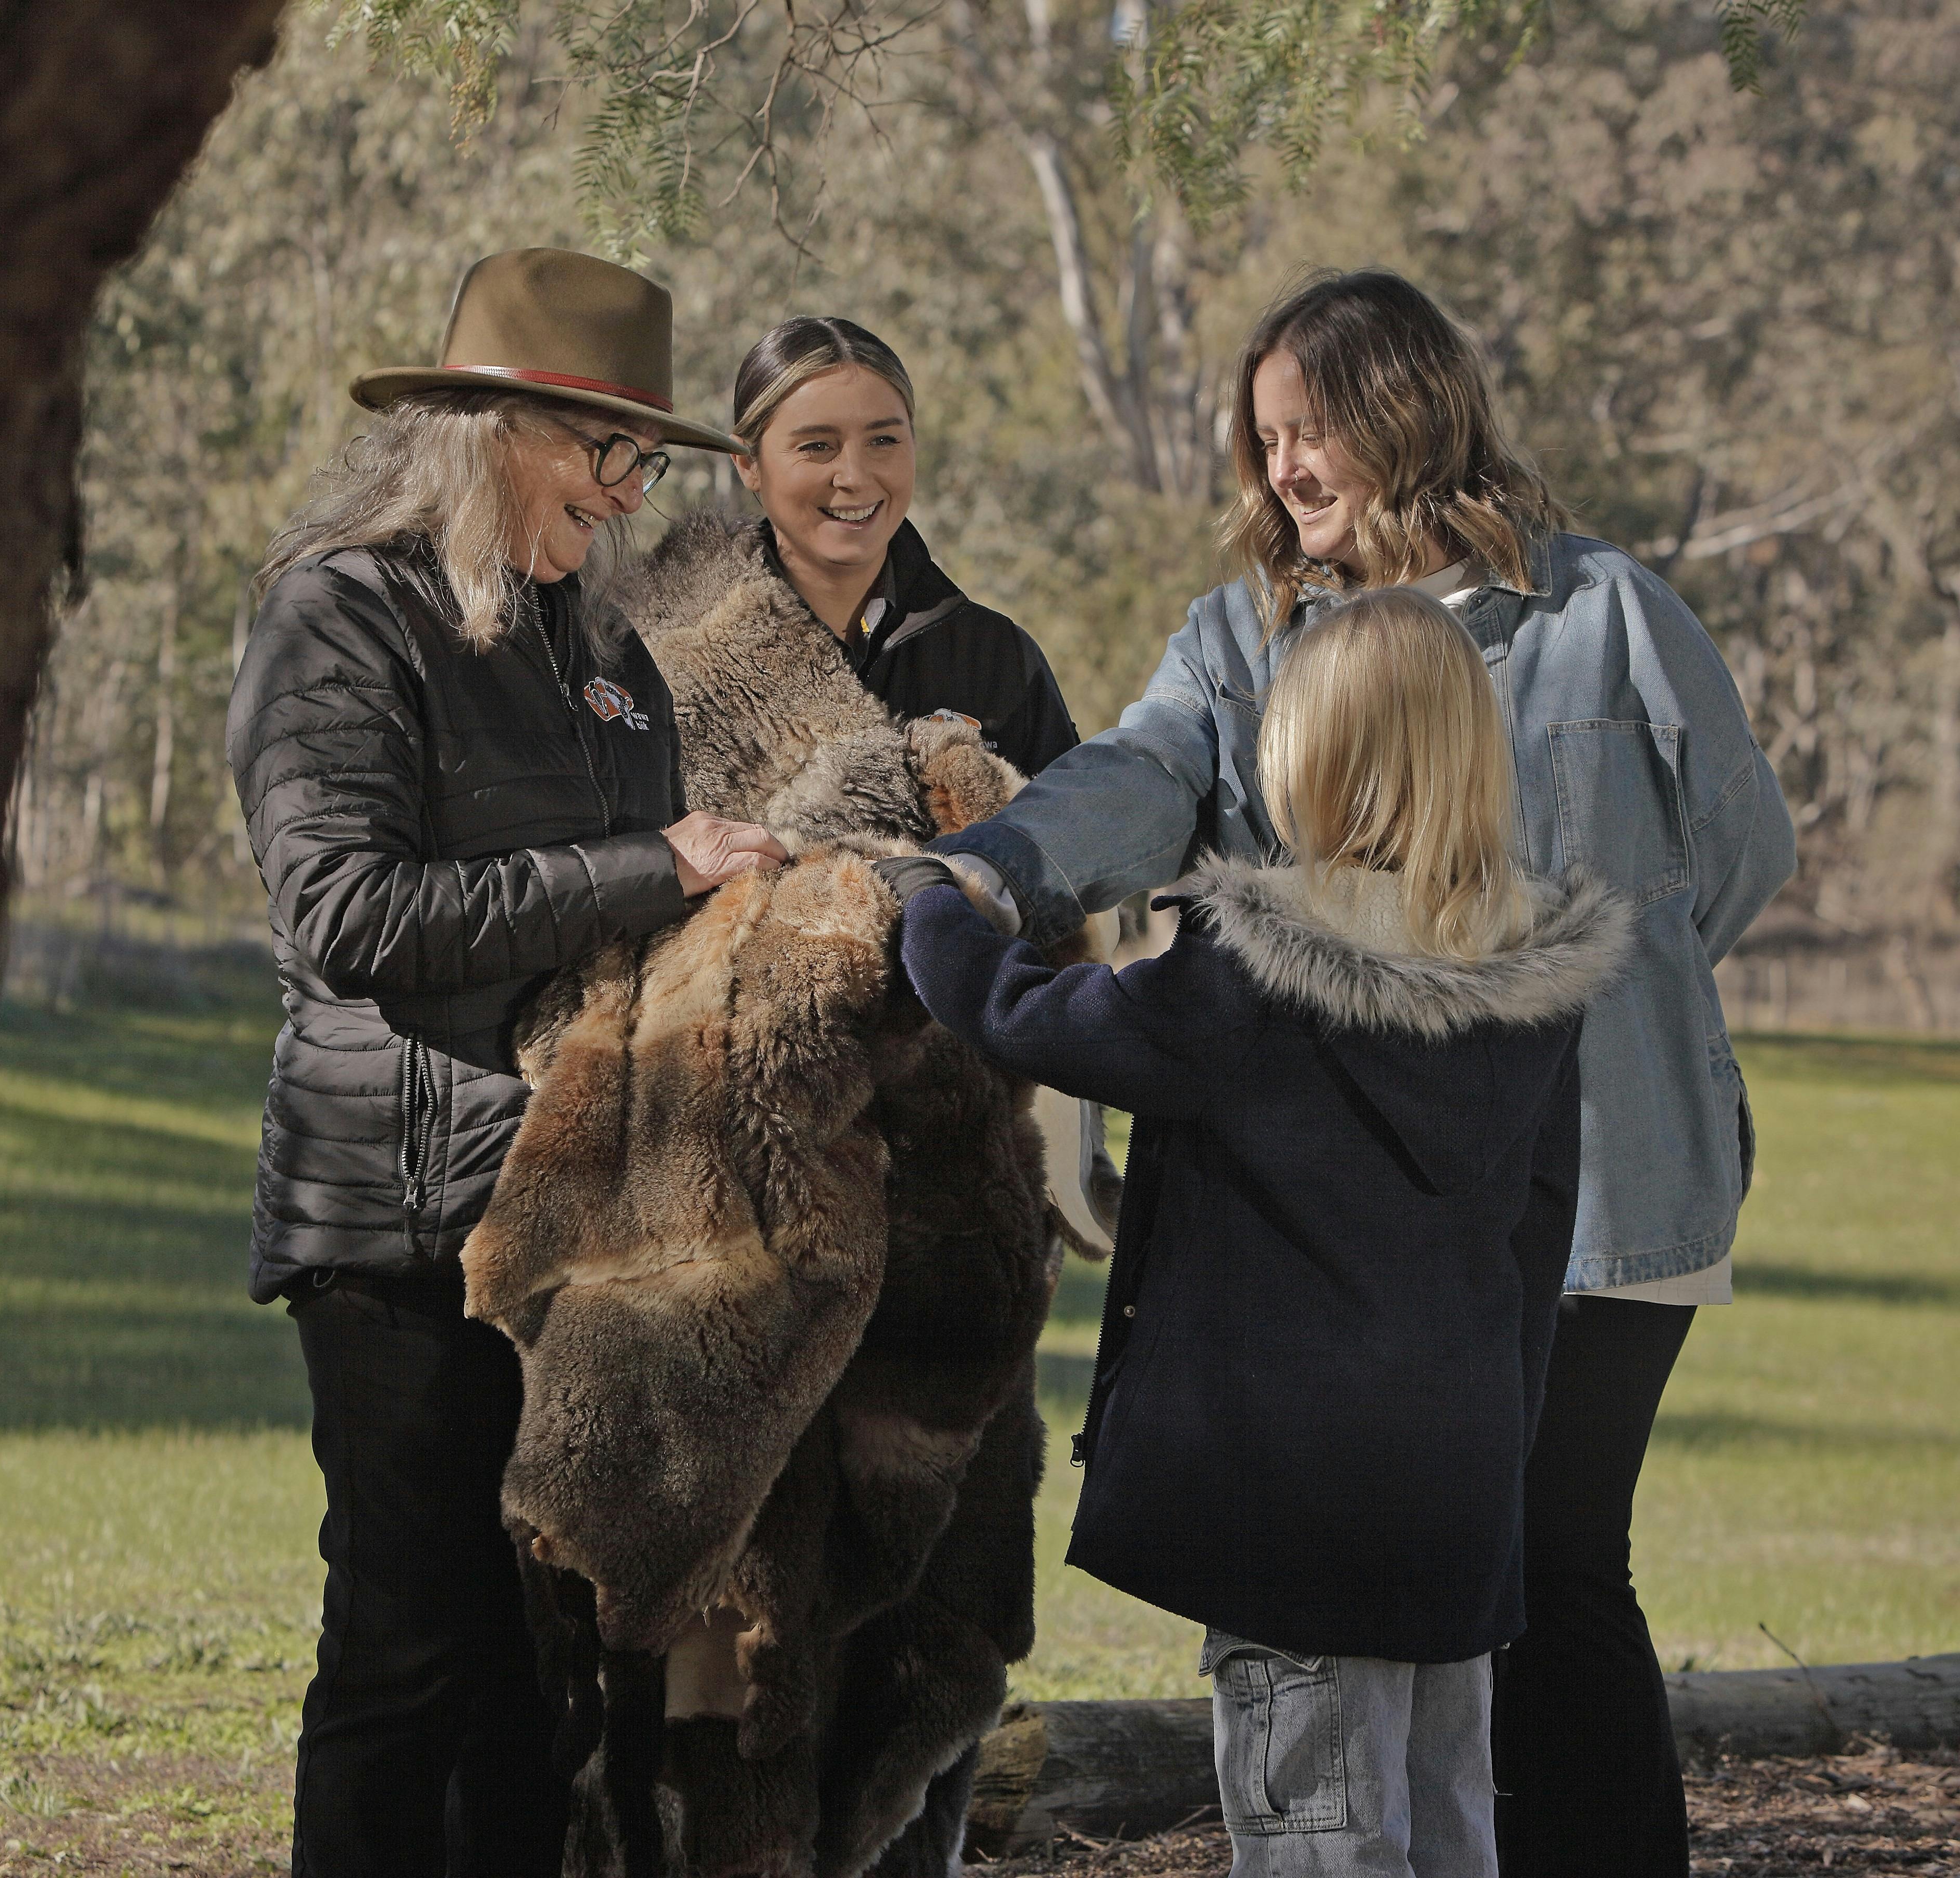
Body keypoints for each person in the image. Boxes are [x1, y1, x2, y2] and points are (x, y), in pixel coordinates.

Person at [926, 269, 1798, 1875]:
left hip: (1616, 1187)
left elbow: (1740, 853)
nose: (1282, 473)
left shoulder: (1607, 613)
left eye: (1305, 432)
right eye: (1263, 445)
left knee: (1554, 1562)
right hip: (1380, 1237)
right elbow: (1134, 782)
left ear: (1403, 411)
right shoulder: (1245, 640)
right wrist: (989, 874)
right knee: (1455, 1593)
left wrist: (1590, 1000)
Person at [882, 587, 1630, 1876]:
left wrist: (934, 907)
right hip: (1453, 1496)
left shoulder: (1255, 969)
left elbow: (1039, 1022)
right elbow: (1536, 1238)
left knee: (1318, 1841)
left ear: (1315, 761)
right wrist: (1498, 1462)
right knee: (1449, 1822)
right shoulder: (1535, 984)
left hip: (1294, 1515)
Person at [226, 248, 787, 1878]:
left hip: (580, 1240)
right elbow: (346, 913)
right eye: (603, 452)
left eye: (644, 463)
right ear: (490, 430)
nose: (624, 499)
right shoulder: (335, 614)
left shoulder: (602, 661)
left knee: (546, 1687)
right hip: (400, 1237)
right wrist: (653, 870)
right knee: (412, 1655)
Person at [728, 315, 1079, 776]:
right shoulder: (677, 657)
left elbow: (1073, 837)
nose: (854, 477)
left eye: (882, 440)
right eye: (817, 446)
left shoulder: (995, 659)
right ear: (747, 463)